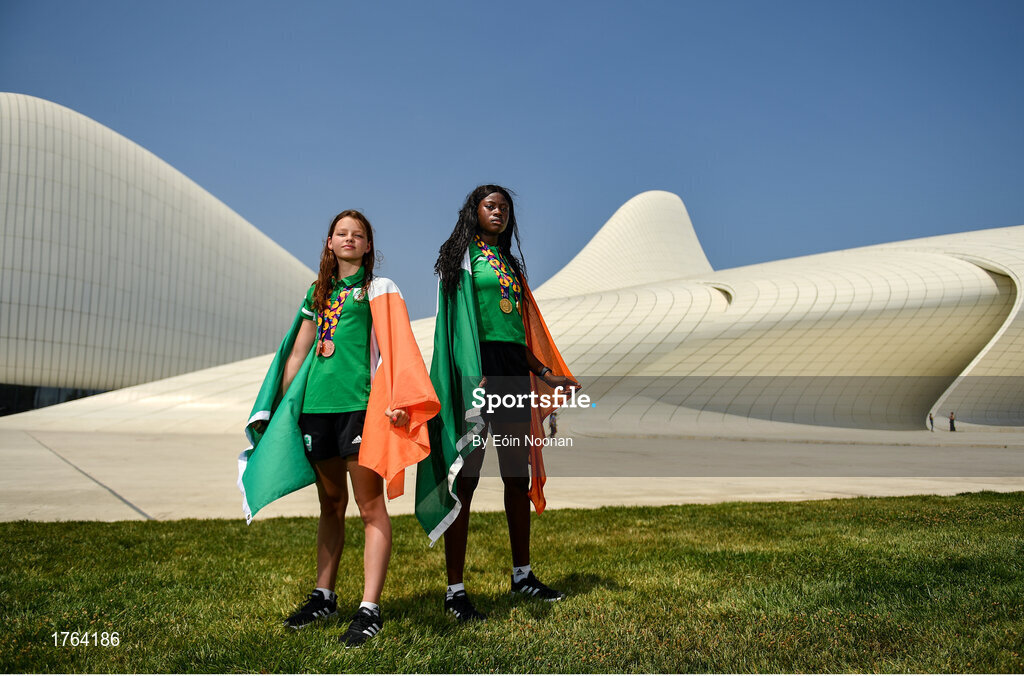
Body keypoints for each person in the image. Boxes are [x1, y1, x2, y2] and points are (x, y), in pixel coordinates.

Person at [237, 210, 439, 647]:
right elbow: (298, 353)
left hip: (360, 409)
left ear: (369, 246)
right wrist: (285, 411)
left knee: (370, 508)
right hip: (316, 411)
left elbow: (396, 350)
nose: (349, 239)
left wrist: (399, 402)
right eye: (341, 233)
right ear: (330, 242)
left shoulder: (379, 290)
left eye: (358, 234)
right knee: (330, 504)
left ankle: (369, 609)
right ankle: (324, 596)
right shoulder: (318, 292)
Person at [416, 185, 579, 622]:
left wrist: (545, 374)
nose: (499, 212)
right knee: (464, 478)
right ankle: (455, 591)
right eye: (491, 206)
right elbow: (454, 327)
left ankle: (522, 576)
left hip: (511, 375)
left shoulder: (509, 264)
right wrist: (471, 373)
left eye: (505, 207)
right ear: (474, 211)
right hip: (477, 375)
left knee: (515, 475)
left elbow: (517, 336)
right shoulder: (460, 259)